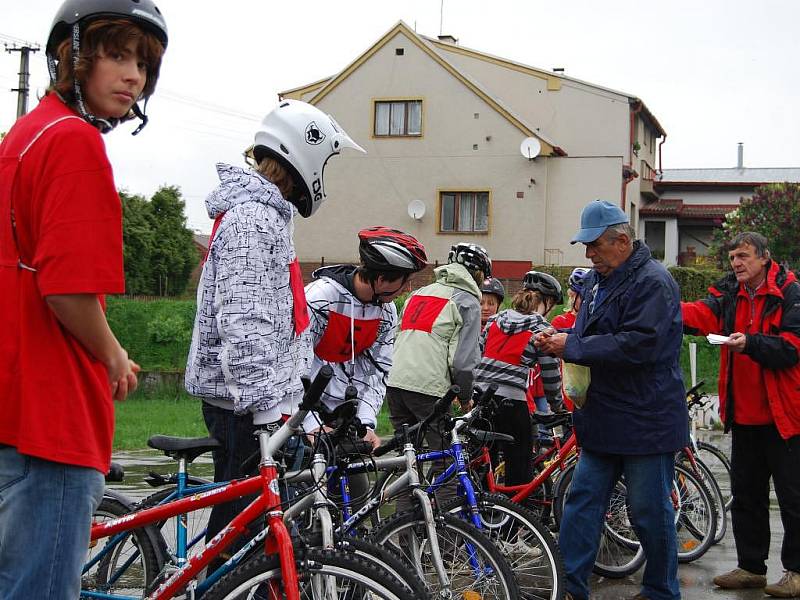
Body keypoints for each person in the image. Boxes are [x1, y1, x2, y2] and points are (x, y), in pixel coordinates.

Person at [0, 1, 167, 597]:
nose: (133, 77)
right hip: (54, 420)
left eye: (143, 64)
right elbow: (66, 288)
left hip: (14, 409)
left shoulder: (23, 136)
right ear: (73, 56)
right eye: (117, 56)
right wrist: (114, 355)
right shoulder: (75, 142)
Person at [184, 99, 364, 567]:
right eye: (326, 161)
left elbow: (279, 316)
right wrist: (268, 410)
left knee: (249, 536)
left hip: (256, 401)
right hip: (243, 405)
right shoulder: (252, 219)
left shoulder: (267, 215)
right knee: (239, 547)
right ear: (303, 157)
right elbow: (245, 324)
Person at [535, 199, 687, 600]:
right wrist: (559, 340)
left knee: (649, 513)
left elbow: (640, 345)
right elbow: (590, 336)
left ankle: (661, 591)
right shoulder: (598, 280)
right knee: (581, 503)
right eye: (586, 246)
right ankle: (569, 587)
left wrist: (575, 346)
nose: (588, 254)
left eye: (595, 245)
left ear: (622, 241)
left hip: (645, 420)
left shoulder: (653, 282)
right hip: (604, 417)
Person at [682, 231, 800, 598]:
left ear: (765, 257)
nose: (737, 264)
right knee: (747, 496)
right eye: (733, 257)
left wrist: (750, 343)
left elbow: (791, 348)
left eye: (744, 256)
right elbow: (703, 314)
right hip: (745, 416)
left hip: (786, 417)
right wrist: (666, 304)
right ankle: (751, 568)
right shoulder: (730, 292)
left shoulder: (792, 293)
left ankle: (796, 572)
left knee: (794, 499)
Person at [302, 226, 428, 446]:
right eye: (404, 281)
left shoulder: (386, 311)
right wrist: (310, 424)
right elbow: (292, 368)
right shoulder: (319, 299)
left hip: (346, 417)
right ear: (381, 280)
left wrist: (365, 423)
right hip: (305, 415)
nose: (407, 289)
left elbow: (378, 370)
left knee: (358, 478)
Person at [386, 242, 489, 506]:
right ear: (477, 274)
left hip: (395, 382)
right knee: (446, 460)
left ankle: (400, 532)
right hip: (427, 387)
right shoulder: (466, 301)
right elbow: (464, 362)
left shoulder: (419, 293)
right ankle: (445, 536)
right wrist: (466, 398)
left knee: (407, 460)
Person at [475, 271, 564, 486]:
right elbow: (551, 375)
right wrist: (558, 406)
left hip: (481, 399)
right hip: (512, 403)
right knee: (520, 463)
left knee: (481, 461)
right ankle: (516, 516)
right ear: (548, 302)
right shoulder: (542, 329)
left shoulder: (495, 320)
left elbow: (477, 355)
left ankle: (480, 512)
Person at [550, 267, 590, 411]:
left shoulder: (592, 321)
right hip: (567, 384)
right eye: (583, 297)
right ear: (573, 296)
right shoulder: (560, 321)